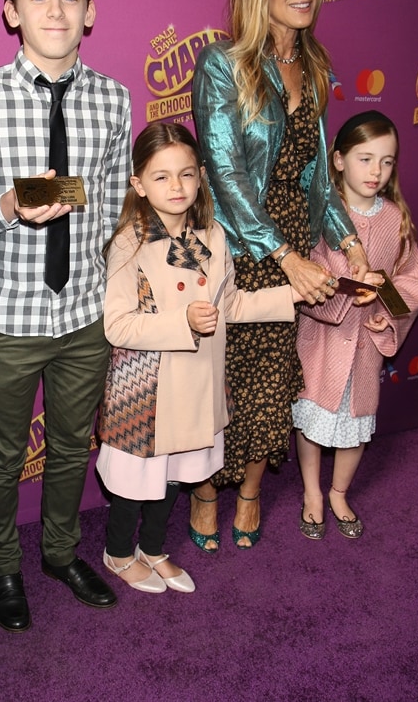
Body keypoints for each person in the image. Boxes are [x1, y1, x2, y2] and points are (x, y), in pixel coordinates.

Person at [0, 0, 132, 630]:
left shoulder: (115, 100)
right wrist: (5, 206)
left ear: (90, 11)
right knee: (3, 452)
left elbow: (119, 202)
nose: (56, 9)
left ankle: (61, 551)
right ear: (11, 10)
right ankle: (2, 563)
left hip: (87, 313)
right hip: (8, 313)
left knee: (72, 445)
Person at [190, 0, 369, 551]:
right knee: (217, 381)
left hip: (294, 243)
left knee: (270, 381)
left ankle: (248, 492)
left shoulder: (315, 65)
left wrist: (347, 241)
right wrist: (284, 256)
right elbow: (224, 170)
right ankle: (207, 491)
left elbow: (317, 174)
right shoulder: (222, 62)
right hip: (240, 246)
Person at [97, 123, 301, 594]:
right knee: (136, 481)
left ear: (201, 177)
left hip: (196, 383)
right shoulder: (130, 241)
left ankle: (153, 548)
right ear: (138, 183)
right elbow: (118, 325)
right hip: (144, 389)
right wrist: (182, 321)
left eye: (186, 174)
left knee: (174, 477)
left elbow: (231, 306)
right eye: (162, 176)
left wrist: (296, 294)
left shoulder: (211, 236)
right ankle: (119, 553)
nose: (176, 187)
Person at [293, 111, 418, 539]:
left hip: (365, 345)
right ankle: (312, 492)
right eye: (365, 159)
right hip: (322, 342)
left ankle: (338, 492)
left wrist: (382, 304)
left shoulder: (396, 219)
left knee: (355, 426)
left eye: (387, 162)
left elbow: (412, 281)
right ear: (338, 160)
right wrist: (343, 290)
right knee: (312, 421)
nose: (376, 171)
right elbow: (306, 274)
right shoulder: (319, 213)